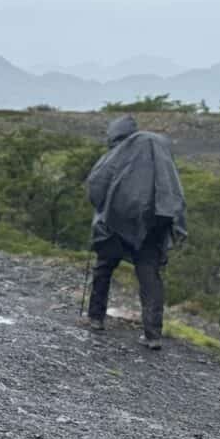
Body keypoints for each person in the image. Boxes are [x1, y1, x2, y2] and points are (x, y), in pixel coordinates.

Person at [85, 115, 187, 350]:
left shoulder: (117, 153)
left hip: (117, 222)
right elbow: (173, 189)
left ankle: (96, 318)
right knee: (149, 275)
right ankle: (153, 335)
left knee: (104, 267)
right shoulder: (160, 149)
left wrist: (103, 209)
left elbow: (97, 184)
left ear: (114, 135)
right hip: (153, 222)